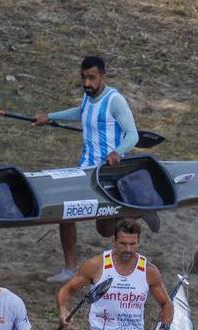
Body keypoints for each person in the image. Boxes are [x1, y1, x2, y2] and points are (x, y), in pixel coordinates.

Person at [34, 55, 140, 282]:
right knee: (65, 211)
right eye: (83, 78)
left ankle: (136, 213)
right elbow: (79, 112)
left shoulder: (115, 100)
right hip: (84, 169)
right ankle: (70, 269)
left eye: (92, 78)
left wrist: (117, 152)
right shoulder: (87, 96)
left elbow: (133, 135)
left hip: (108, 173)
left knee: (104, 229)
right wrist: (49, 118)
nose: (87, 83)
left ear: (102, 76)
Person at [56, 219, 171, 330]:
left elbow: (166, 304)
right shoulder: (97, 265)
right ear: (114, 241)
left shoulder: (148, 270)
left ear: (138, 242)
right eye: (123, 244)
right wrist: (62, 309)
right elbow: (67, 290)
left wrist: (164, 328)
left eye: (133, 244)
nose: (128, 249)